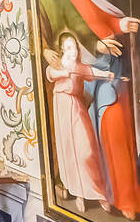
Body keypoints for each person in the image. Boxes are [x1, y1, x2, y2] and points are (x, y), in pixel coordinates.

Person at [61, 0, 140, 220]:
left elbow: (108, 21)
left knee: (114, 129)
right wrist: (91, 47)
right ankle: (101, 194)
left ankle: (125, 197)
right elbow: (65, 36)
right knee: (88, 139)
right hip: (83, 70)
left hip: (110, 66)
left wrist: (123, 24)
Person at [45, 31, 111, 211]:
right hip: (61, 106)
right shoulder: (59, 66)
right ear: (62, 50)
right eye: (67, 47)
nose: (72, 50)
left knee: (86, 150)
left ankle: (98, 193)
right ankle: (79, 194)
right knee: (68, 151)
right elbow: (50, 73)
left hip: (75, 106)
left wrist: (109, 76)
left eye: (74, 46)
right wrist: (64, 71)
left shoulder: (79, 66)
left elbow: (93, 72)